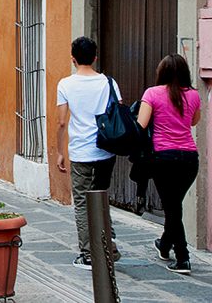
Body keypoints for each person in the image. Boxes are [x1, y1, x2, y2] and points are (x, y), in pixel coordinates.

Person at [55, 36, 122, 270]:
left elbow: (62, 122)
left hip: (81, 152)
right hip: (105, 150)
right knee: (101, 197)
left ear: (73, 58)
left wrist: (59, 152)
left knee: (83, 202)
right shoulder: (109, 83)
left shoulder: (65, 84)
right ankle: (108, 241)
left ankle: (88, 253)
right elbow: (118, 111)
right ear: (95, 57)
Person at [137, 54, 202, 275]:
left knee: (172, 207)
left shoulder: (152, 94)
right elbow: (194, 121)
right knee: (174, 205)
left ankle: (183, 258)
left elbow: (141, 124)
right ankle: (165, 244)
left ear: (162, 72)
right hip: (189, 159)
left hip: (163, 158)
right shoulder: (193, 95)